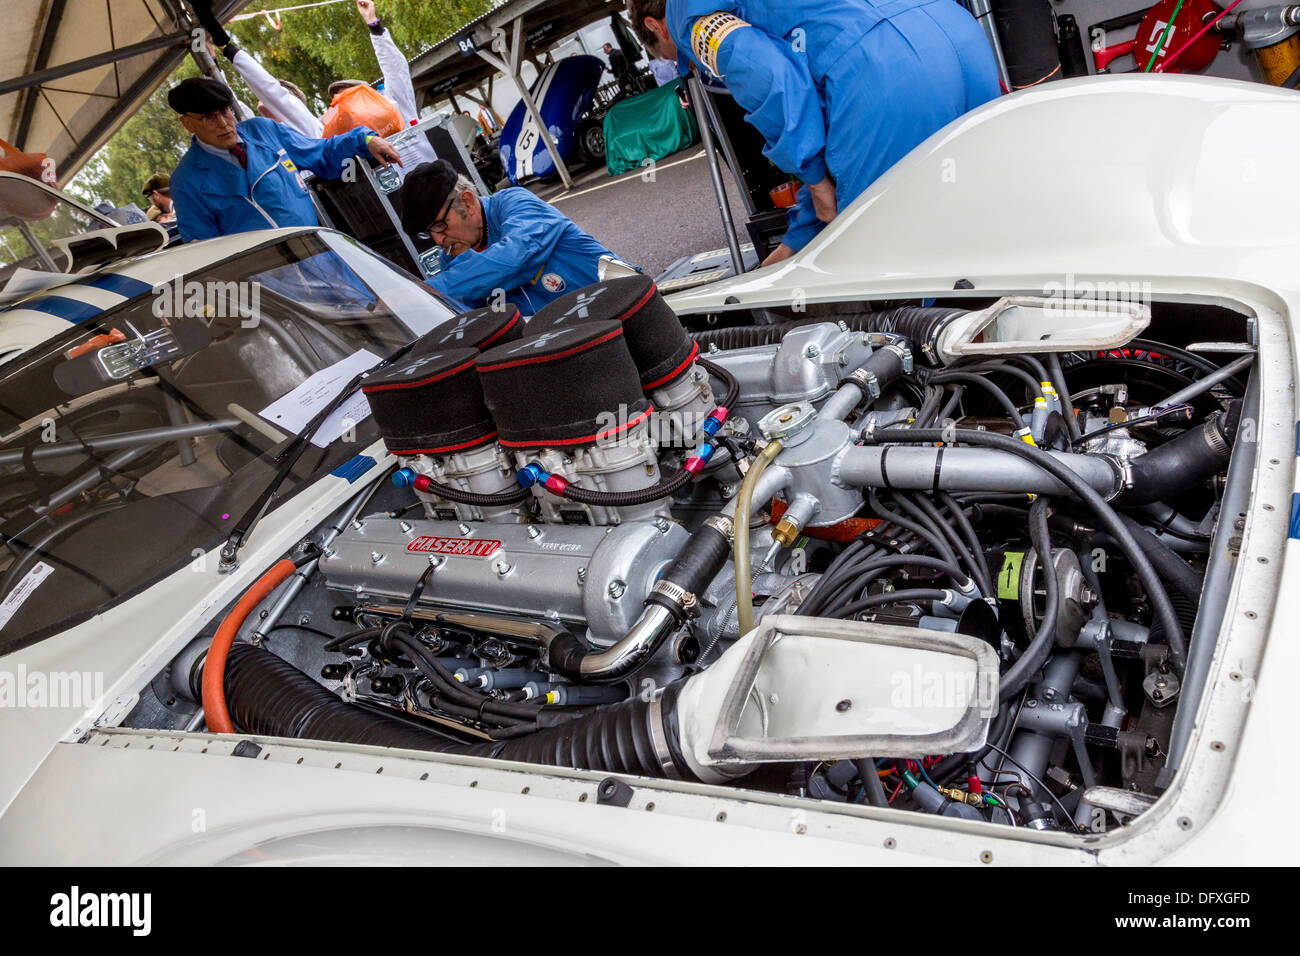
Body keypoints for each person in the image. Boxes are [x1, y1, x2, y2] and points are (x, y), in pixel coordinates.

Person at [627, 0, 998, 266]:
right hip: (956, 30)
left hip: (882, 71)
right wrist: (795, 241)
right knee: (984, 222)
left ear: (654, 26)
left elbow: (768, 74)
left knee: (890, 265)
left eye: (672, 56)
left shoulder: (685, 14)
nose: (684, 63)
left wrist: (814, 178)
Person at [166, 76, 401, 242]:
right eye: (209, 117)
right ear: (187, 123)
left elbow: (323, 153)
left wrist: (365, 139)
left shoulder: (265, 130)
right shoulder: (186, 181)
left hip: (320, 252)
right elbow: (205, 247)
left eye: (225, 111)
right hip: (269, 286)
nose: (224, 123)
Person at [399, 160, 627, 315]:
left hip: (625, 304)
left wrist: (424, 293)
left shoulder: (515, 201)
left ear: (467, 202)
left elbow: (517, 257)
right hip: (571, 342)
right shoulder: (451, 260)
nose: (438, 240)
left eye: (440, 225)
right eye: (429, 232)